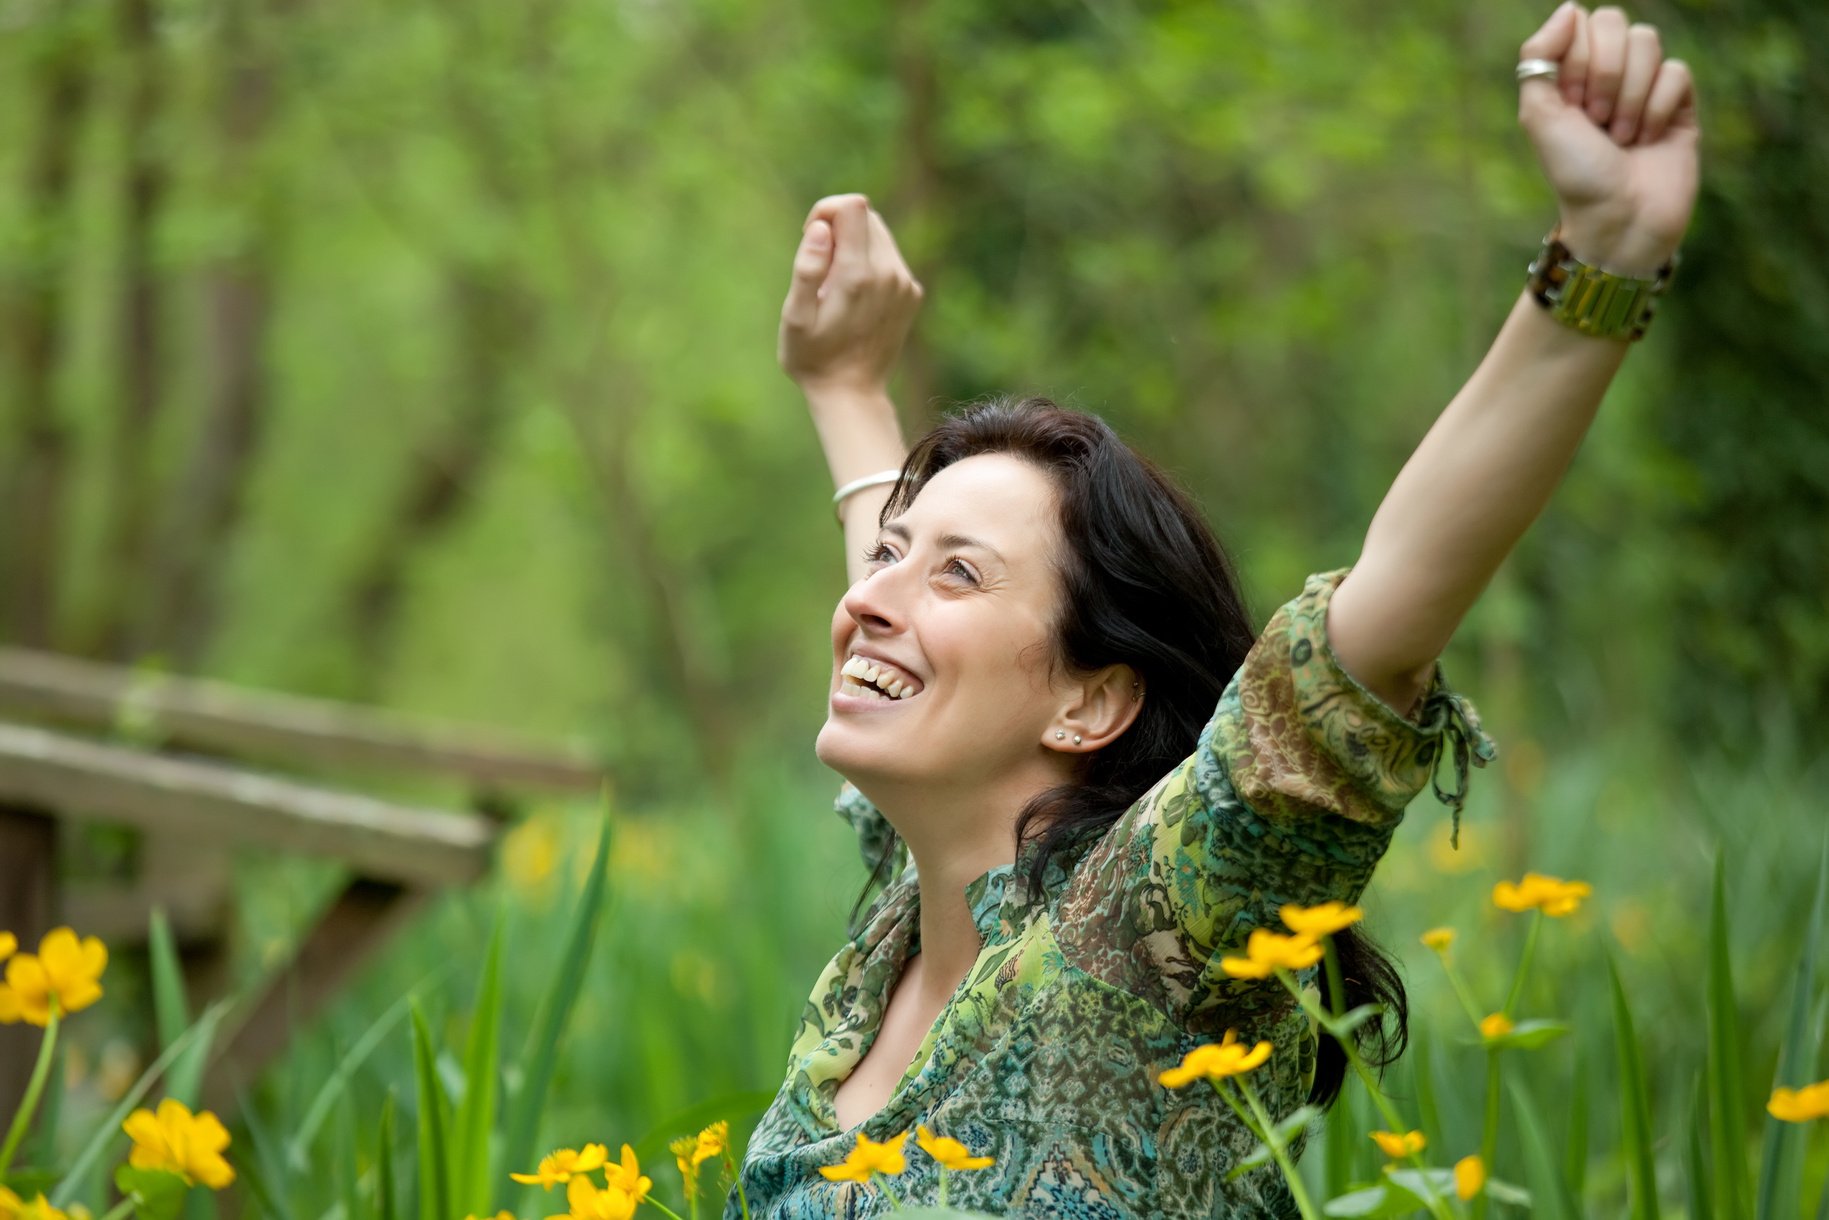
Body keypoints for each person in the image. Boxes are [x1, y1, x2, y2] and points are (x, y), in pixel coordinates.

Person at [739, 4, 1698, 1216]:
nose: (867, 601)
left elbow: (1382, 616)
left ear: (1090, 699)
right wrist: (842, 385)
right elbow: (901, 620)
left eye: (959, 572)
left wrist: (1598, 261)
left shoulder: (1160, 923)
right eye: (886, 558)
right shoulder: (909, 915)